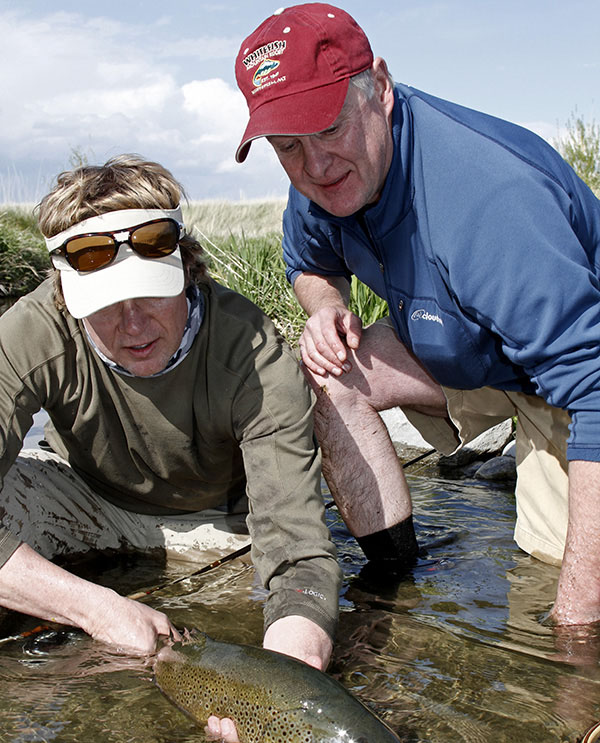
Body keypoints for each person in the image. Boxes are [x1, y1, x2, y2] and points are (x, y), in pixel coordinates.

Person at [234, 3, 600, 627]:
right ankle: (395, 585)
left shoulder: (489, 201)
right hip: (475, 353)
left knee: (556, 575)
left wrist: (574, 617)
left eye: (328, 129)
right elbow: (306, 262)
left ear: (379, 87)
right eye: (288, 146)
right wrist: (327, 308)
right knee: (328, 371)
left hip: (571, 379)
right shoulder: (319, 183)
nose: (316, 166)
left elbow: (596, 390)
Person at [0, 154, 341, 675]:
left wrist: (284, 684)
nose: (132, 324)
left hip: (222, 529)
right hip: (85, 498)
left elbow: (298, 555)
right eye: (105, 301)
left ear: (186, 268)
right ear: (66, 295)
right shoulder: (32, 330)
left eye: (151, 294)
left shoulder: (252, 354)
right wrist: (96, 608)